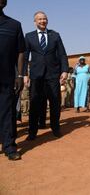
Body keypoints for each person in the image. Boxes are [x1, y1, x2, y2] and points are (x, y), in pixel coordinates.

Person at [24, 11, 68, 140]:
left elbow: (62, 54)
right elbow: (25, 57)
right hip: (36, 76)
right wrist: (24, 74)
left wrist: (64, 70)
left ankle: (56, 128)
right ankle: (32, 132)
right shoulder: (29, 36)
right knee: (34, 103)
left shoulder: (55, 35)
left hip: (53, 75)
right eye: (39, 19)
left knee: (55, 102)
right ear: (35, 22)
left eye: (44, 19)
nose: (42, 21)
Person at [0, 0, 25, 160]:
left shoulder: (14, 25)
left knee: (7, 112)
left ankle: (9, 146)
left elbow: (21, 52)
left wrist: (20, 75)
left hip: (7, 77)